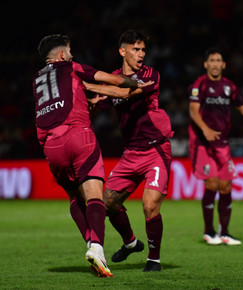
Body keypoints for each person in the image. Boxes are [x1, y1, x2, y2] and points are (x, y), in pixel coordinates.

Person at [32, 34, 146, 277]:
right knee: (95, 195)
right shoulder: (72, 66)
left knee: (75, 197)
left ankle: (91, 244)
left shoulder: (37, 78)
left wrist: (88, 103)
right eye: (70, 50)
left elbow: (62, 103)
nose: (72, 54)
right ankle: (97, 248)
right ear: (62, 55)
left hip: (50, 146)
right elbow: (115, 79)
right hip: (78, 137)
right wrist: (134, 83)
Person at [83, 29, 174, 271]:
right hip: (131, 153)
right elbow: (102, 100)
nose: (141, 53)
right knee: (108, 204)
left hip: (156, 150)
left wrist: (89, 85)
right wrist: (92, 103)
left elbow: (124, 92)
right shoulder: (112, 78)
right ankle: (131, 242)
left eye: (143, 49)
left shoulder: (150, 75)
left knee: (150, 204)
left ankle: (153, 259)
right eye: (136, 49)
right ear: (122, 51)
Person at [188, 47, 243, 246]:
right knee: (212, 184)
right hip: (202, 143)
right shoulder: (199, 84)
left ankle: (225, 232)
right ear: (206, 64)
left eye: (219, 60)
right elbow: (193, 111)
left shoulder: (229, 87)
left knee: (226, 186)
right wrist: (205, 129)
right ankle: (209, 231)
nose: (216, 64)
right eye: (212, 60)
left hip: (222, 143)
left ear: (224, 65)